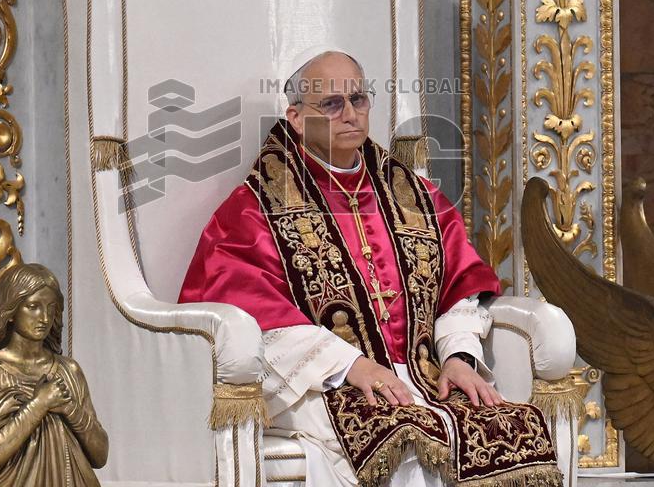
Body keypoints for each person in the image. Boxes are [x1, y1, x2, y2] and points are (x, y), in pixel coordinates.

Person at [179, 50, 560, 486]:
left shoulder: (414, 197)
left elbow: (458, 285)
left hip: (422, 373)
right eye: (331, 103)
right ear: (297, 118)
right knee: (403, 436)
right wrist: (349, 365)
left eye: (358, 99)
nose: (350, 114)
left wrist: (458, 357)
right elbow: (250, 312)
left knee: (508, 426)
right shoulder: (256, 208)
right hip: (321, 380)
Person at [0, 264, 109, 486]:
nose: (44, 318)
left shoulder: (69, 371)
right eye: (33, 307)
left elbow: (100, 455)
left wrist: (70, 409)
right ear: (10, 311)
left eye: (51, 308)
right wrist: (39, 405)